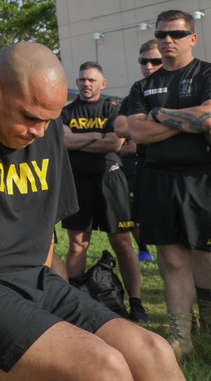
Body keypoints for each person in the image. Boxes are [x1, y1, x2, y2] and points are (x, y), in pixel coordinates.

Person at [0, 42, 180, 381]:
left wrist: (51, 309)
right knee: (103, 367)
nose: (39, 131)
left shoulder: (45, 125)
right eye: (29, 117)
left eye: (49, 120)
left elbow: (45, 229)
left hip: (31, 281)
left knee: (154, 353)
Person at [121, 10, 211, 357]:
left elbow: (208, 118)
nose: (166, 40)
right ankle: (181, 336)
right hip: (157, 179)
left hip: (201, 177)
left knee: (205, 255)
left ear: (192, 37)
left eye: (175, 34)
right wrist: (187, 118)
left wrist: (158, 115)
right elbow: (135, 130)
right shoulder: (143, 86)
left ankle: (207, 321)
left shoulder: (205, 73)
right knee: (172, 259)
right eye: (161, 34)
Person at [61, 61, 148, 323]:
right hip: (77, 182)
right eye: (81, 80)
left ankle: (137, 303)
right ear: (76, 83)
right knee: (77, 245)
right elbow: (64, 142)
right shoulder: (65, 112)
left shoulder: (113, 109)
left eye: (91, 80)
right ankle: (73, 301)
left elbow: (115, 142)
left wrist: (80, 140)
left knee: (122, 243)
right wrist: (98, 136)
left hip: (111, 181)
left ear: (102, 83)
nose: (86, 84)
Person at [113, 40, 161, 264]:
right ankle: (144, 249)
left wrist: (142, 124)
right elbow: (122, 128)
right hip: (145, 168)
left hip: (189, 170)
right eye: (143, 61)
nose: (148, 66)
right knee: (162, 240)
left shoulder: (186, 85)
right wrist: (167, 119)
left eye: (155, 61)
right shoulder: (137, 91)